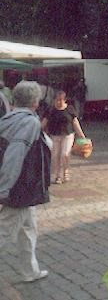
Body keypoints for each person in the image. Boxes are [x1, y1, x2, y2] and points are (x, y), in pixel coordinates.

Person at [0, 81, 51, 282]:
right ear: (35, 101)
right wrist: (4, 189)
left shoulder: (8, 118)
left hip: (25, 189)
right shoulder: (29, 122)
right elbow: (15, 154)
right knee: (4, 232)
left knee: (29, 230)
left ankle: (30, 271)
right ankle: (30, 271)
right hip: (20, 188)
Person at [41, 91, 86, 184]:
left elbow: (75, 122)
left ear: (65, 100)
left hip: (68, 134)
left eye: (61, 100)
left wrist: (81, 135)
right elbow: (44, 122)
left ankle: (65, 171)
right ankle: (57, 175)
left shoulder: (70, 109)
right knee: (55, 155)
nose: (58, 102)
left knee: (65, 154)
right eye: (57, 100)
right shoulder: (50, 110)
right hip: (55, 135)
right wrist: (37, 130)